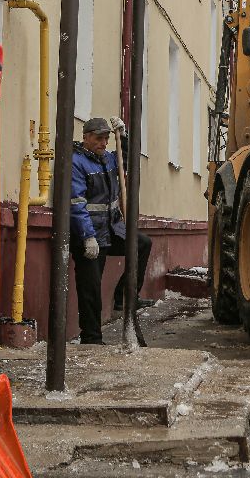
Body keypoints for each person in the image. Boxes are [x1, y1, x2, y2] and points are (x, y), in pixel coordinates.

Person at [71, 116, 153, 344]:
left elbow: (124, 160)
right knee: (91, 289)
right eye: (99, 138)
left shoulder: (107, 159)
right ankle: (92, 338)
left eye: (106, 138)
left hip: (111, 230)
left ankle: (123, 296)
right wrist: (87, 236)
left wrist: (123, 137)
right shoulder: (76, 162)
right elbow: (77, 203)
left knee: (142, 244)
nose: (104, 143)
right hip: (88, 235)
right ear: (86, 137)